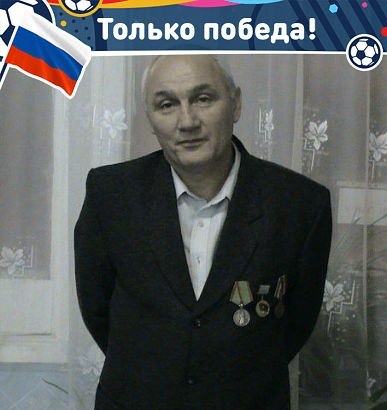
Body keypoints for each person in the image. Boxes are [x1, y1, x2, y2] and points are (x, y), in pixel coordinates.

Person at [74, 55, 332, 410]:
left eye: (203, 98)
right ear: (149, 117)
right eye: (167, 105)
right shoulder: (110, 195)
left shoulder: (300, 204)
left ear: (235, 104)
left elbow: (295, 323)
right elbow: (97, 308)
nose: (187, 121)